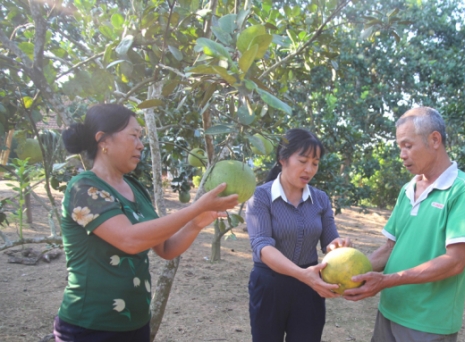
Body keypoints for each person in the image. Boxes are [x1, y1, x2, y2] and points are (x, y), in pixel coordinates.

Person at [55, 104, 239, 342]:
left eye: (141, 136)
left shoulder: (135, 189)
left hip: (135, 324)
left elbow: (165, 248)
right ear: (103, 141)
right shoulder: (84, 188)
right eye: (133, 135)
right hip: (89, 327)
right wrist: (195, 207)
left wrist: (196, 222)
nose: (140, 144)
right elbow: (129, 239)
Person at [343, 107, 465, 342]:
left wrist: (388, 280)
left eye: (408, 146)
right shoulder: (408, 189)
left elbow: (455, 262)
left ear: (435, 140)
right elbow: (390, 249)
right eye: (400, 147)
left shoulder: (464, 190)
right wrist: (349, 270)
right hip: (389, 311)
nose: (402, 154)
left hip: (428, 323)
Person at [245, 128, 351, 342]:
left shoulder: (320, 199)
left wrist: (337, 245)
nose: (309, 169)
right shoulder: (259, 197)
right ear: (282, 159)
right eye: (303, 161)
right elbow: (262, 246)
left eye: (315, 163)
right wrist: (303, 275)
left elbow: (329, 241)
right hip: (269, 286)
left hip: (309, 288)